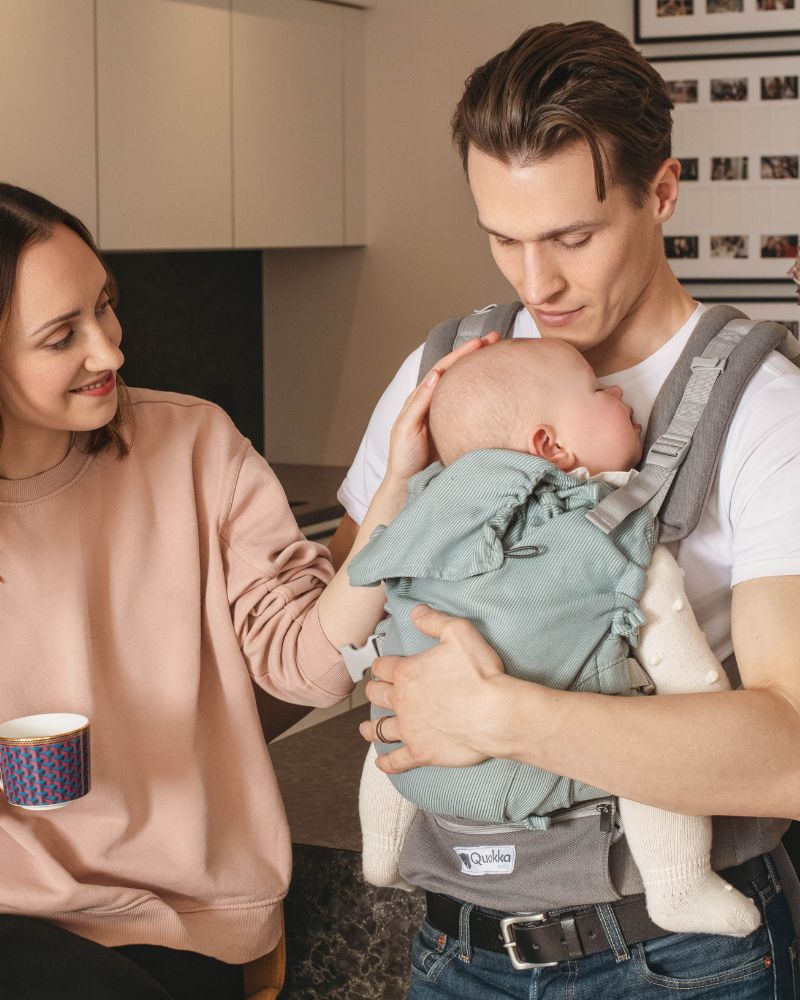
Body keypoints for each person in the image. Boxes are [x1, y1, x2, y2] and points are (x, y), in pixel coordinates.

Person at [328, 20, 800, 999]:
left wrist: (500, 714)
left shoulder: (764, 412)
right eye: (501, 237)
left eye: (570, 238)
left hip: (678, 961)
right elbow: (359, 633)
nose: (532, 282)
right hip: (456, 946)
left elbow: (786, 754)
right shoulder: (445, 373)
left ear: (660, 191)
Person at [0, 182, 476, 1000]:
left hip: (183, 917)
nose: (109, 351)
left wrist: (397, 489)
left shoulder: (194, 447)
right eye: (60, 337)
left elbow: (304, 668)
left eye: (105, 307)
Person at [354, 336, 761, 938]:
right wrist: (706, 711)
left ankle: (382, 851)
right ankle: (678, 884)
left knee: (396, 698)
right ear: (552, 446)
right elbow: (687, 672)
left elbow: (367, 607)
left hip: (424, 763)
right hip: (561, 774)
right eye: (599, 390)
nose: (619, 391)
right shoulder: (612, 535)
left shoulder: (426, 518)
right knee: (655, 744)